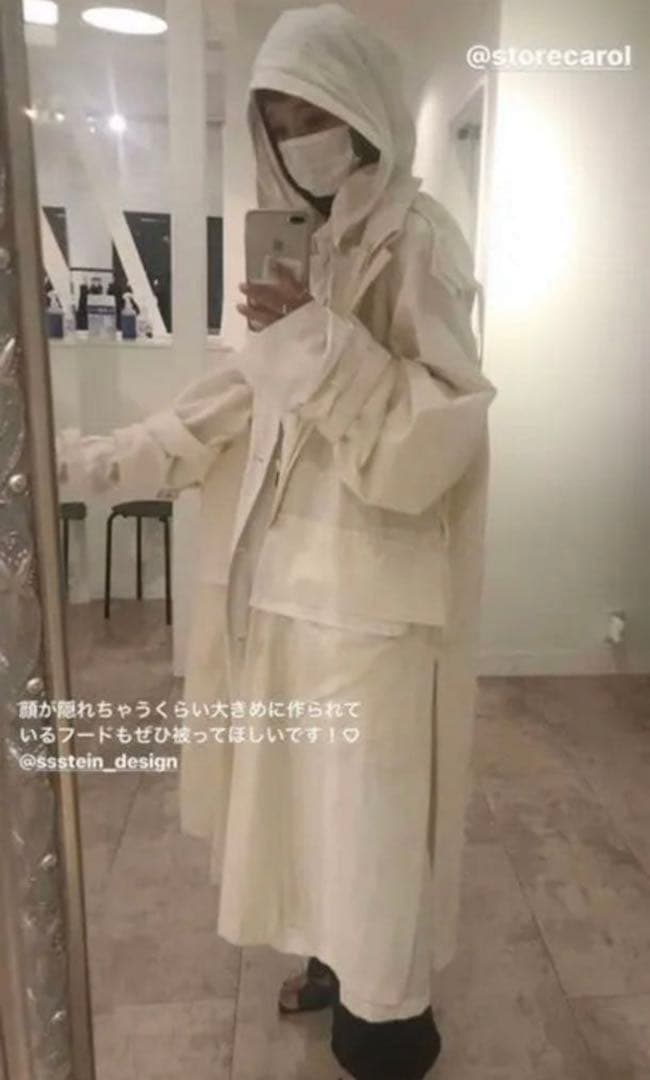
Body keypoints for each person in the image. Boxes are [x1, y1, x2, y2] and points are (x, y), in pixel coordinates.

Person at [56, 5, 497, 1077]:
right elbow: (236, 400)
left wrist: (313, 338)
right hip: (284, 593)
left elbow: (439, 432)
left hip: (372, 610)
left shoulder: (420, 239)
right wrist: (98, 461)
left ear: (364, 114)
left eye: (315, 116)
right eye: (280, 122)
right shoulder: (311, 247)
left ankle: (389, 1028)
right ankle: (334, 965)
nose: (300, 141)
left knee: (369, 830)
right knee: (310, 824)